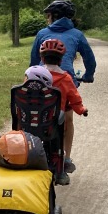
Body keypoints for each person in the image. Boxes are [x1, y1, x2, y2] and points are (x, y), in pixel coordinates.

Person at [36, 39, 88, 184]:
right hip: (53, 121)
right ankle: (60, 171)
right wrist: (81, 110)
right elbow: (74, 98)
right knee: (59, 135)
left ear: (41, 58)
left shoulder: (33, 75)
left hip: (33, 119)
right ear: (61, 60)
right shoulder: (66, 78)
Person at [30, 0, 96, 85]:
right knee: (73, 97)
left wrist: (32, 76)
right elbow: (89, 59)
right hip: (67, 81)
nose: (47, 19)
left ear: (55, 16)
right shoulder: (77, 34)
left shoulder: (42, 33)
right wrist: (88, 76)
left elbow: (35, 59)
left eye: (48, 16)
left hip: (43, 80)